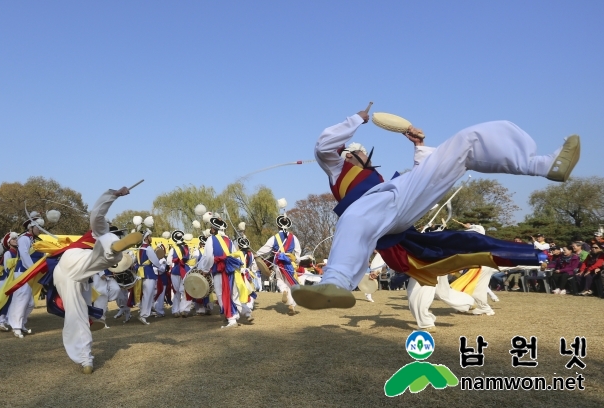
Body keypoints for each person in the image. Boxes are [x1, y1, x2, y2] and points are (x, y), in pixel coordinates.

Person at [293, 105, 581, 310]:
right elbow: (322, 146)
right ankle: (335, 285)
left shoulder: (377, 178)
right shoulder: (336, 169)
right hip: (373, 216)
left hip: (399, 202)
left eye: (360, 152)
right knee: (355, 216)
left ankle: (544, 165)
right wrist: (356, 118)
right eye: (353, 151)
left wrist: (419, 146)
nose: (359, 154)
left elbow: (424, 180)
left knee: (463, 143)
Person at [50, 186, 143, 373]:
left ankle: (86, 360)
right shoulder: (99, 231)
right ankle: (113, 250)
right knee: (105, 244)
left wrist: (112, 196)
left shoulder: (96, 235)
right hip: (76, 260)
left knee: (77, 315)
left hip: (73, 274)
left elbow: (96, 215)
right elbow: (97, 216)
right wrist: (112, 195)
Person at [196, 218, 251, 328]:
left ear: (213, 229)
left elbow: (208, 257)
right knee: (232, 293)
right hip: (230, 268)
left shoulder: (211, 239)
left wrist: (205, 270)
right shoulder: (229, 240)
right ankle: (243, 311)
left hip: (219, 269)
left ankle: (231, 318)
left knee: (221, 294)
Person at [256, 214, 301, 316]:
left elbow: (266, 248)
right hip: (289, 263)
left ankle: (284, 290)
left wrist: (257, 253)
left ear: (278, 226)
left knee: (280, 280)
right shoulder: (294, 238)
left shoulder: (274, 238)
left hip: (278, 263)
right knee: (292, 283)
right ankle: (292, 305)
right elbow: (298, 252)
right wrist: (297, 261)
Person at [135, 230, 165, 324]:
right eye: (150, 236)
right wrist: (161, 268)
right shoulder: (148, 248)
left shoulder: (140, 248)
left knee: (145, 294)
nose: (151, 238)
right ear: (146, 238)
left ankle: (143, 313)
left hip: (140, 273)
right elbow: (155, 261)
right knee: (148, 295)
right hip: (148, 273)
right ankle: (143, 315)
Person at [166, 230, 192, 318]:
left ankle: (175, 311)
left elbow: (169, 261)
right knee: (185, 290)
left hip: (176, 271)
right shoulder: (187, 248)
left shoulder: (173, 248)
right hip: (185, 270)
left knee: (176, 292)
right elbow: (190, 259)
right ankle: (184, 309)